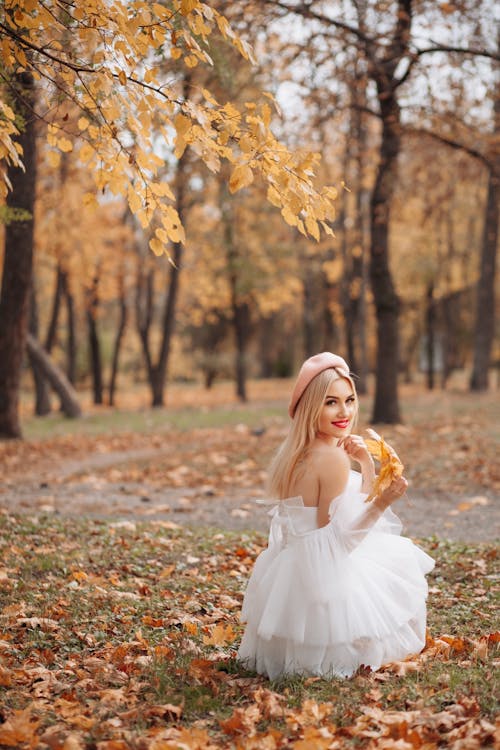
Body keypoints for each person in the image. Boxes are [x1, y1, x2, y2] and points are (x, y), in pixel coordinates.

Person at [237, 352, 434, 680]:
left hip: (296, 568)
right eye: (331, 402)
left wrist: (366, 465)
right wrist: (384, 501)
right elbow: (339, 543)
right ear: (311, 406)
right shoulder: (330, 459)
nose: (344, 412)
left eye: (349, 400)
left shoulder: (297, 453)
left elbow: (344, 511)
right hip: (322, 573)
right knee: (398, 578)